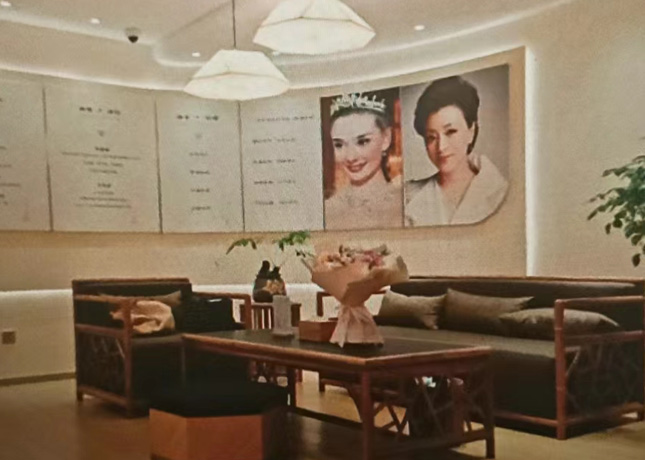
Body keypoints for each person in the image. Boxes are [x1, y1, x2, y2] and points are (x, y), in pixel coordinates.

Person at [404, 76, 508, 226]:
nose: (441, 147)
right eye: (431, 137)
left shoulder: (500, 191)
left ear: (471, 131)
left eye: (451, 132)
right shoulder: (407, 197)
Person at [324, 92, 403, 229]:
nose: (350, 157)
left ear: (386, 138)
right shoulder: (328, 210)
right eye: (339, 145)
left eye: (362, 142)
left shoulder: (406, 203)